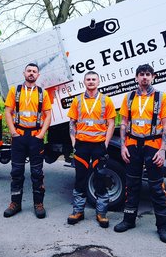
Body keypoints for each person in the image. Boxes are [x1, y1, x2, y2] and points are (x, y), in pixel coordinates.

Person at [114, 64, 166, 243]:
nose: (145, 77)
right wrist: (123, 146)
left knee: (156, 187)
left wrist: (163, 150)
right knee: (131, 184)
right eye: (141, 74)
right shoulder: (129, 97)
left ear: (153, 77)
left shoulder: (161, 97)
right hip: (132, 146)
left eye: (148, 74)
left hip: (153, 146)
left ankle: (162, 227)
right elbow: (123, 123)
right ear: (136, 77)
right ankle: (129, 219)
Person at [67, 71, 116, 228]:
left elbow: (111, 124)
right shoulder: (77, 100)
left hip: (98, 146)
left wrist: (106, 144)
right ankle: (78, 211)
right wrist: (74, 141)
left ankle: (101, 213)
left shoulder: (106, 101)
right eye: (88, 79)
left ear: (98, 82)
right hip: (81, 145)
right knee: (80, 178)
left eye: (93, 79)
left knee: (100, 178)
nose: (91, 82)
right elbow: (72, 122)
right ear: (84, 82)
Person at [3, 63, 52, 219]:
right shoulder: (15, 91)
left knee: (37, 173)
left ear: (38, 75)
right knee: (16, 172)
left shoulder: (42, 93)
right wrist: (13, 132)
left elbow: (48, 115)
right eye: (29, 71)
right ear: (24, 73)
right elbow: (8, 112)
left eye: (34, 71)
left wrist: (41, 135)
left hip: (35, 138)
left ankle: (38, 204)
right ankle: (15, 203)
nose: (31, 73)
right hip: (19, 137)